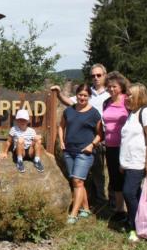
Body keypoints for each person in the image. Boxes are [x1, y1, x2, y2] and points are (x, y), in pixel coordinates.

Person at [50, 63, 110, 206]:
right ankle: (88, 203)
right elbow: (70, 102)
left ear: (105, 76)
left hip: (103, 137)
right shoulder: (87, 91)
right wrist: (58, 93)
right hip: (84, 139)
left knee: (100, 172)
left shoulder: (110, 93)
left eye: (98, 75)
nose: (95, 78)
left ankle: (103, 201)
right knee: (81, 176)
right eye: (93, 75)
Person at [58, 83, 104, 224]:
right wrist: (61, 141)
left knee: (77, 181)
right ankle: (85, 209)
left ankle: (73, 214)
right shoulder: (69, 111)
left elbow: (100, 134)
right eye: (80, 95)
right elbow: (61, 126)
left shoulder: (94, 113)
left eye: (85, 95)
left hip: (85, 152)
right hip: (69, 151)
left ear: (89, 97)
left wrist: (92, 145)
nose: (82, 98)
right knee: (77, 181)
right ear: (76, 95)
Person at [119, 83, 147, 243]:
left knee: (128, 193)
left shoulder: (146, 112)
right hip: (127, 163)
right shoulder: (131, 114)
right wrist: (122, 162)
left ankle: (135, 227)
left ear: (139, 97)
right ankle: (140, 222)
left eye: (130, 95)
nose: (126, 98)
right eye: (126, 95)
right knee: (135, 195)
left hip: (138, 162)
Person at [102, 71, 131, 220]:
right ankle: (120, 210)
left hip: (126, 146)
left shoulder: (128, 101)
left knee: (127, 178)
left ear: (121, 86)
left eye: (114, 86)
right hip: (110, 146)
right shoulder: (106, 102)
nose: (111, 89)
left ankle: (132, 209)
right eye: (109, 87)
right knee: (115, 179)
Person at [4, 109, 44, 173]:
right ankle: (19, 161)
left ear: (27, 121)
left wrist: (37, 139)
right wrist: (5, 152)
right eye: (20, 119)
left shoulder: (31, 131)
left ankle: (37, 160)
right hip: (19, 150)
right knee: (20, 140)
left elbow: (34, 143)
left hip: (29, 151)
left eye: (24, 120)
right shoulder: (13, 129)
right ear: (17, 120)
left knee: (38, 140)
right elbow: (9, 141)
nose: (22, 121)